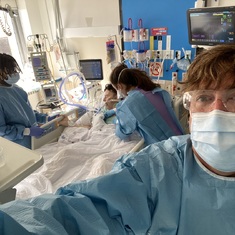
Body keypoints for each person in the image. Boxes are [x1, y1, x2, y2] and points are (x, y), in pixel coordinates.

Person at [1, 44, 235, 235]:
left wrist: (107, 115)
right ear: (191, 113)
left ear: (121, 87)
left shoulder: (132, 108)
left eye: (233, 97)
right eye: (204, 97)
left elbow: (122, 132)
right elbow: (77, 211)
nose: (217, 112)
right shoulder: (154, 168)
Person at [109, 64, 184, 145]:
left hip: (169, 148)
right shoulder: (153, 91)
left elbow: (122, 133)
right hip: (181, 139)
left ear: (119, 86)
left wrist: (117, 122)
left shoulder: (130, 103)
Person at [0, 53, 45, 149]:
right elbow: (1, 130)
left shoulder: (17, 89)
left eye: (14, 69)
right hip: (18, 147)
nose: (14, 73)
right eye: (9, 70)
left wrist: (46, 119)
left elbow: (29, 114)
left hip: (35, 143)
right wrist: (27, 131)